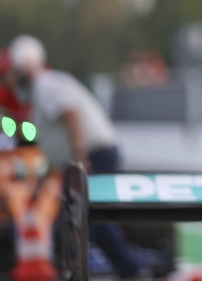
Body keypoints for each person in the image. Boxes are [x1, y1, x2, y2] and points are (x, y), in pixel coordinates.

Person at [8, 34, 145, 279]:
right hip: (89, 155)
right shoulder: (42, 90)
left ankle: (99, 269)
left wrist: (81, 157)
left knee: (82, 219)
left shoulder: (46, 85)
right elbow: (51, 140)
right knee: (91, 218)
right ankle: (125, 268)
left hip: (93, 154)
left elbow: (71, 115)